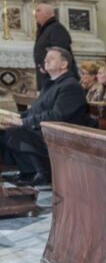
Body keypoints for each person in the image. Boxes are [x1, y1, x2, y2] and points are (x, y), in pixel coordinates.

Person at [2, 47, 89, 188]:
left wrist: (23, 122)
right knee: (5, 130)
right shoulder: (50, 84)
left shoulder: (70, 86)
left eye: (51, 58)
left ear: (64, 64)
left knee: (15, 132)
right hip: (43, 129)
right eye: (45, 58)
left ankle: (42, 172)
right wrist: (13, 117)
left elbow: (57, 115)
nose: (45, 61)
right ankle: (27, 171)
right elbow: (35, 110)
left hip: (59, 134)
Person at [32, 4, 77, 90]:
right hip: (48, 74)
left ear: (48, 13)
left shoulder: (56, 28)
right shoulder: (45, 29)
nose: (35, 13)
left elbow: (61, 51)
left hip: (57, 76)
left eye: (38, 10)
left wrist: (45, 65)